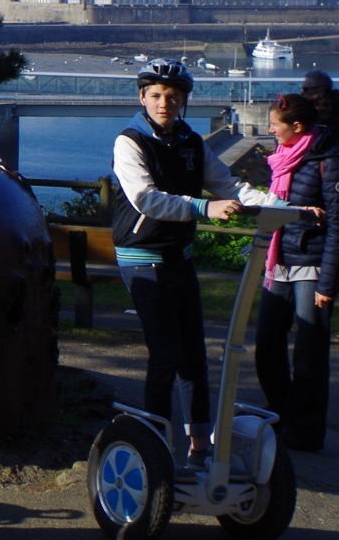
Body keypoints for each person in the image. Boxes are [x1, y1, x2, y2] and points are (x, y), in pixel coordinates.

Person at [112, 59, 288, 466]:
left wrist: (283, 206)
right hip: (141, 256)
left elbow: (230, 186)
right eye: (155, 95)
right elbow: (146, 199)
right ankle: (154, 444)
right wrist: (203, 208)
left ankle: (199, 446)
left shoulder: (191, 140)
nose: (164, 103)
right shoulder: (130, 141)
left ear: (185, 101)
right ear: (142, 97)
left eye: (173, 97)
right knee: (165, 353)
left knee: (194, 355)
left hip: (179, 256)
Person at [254, 93, 339, 452]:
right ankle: (281, 411)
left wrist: (327, 283)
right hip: (279, 261)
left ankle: (308, 430)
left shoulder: (330, 160)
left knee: (309, 353)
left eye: (275, 126)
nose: (270, 131)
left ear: (297, 127)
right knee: (266, 344)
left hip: (311, 264)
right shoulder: (283, 159)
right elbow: (276, 205)